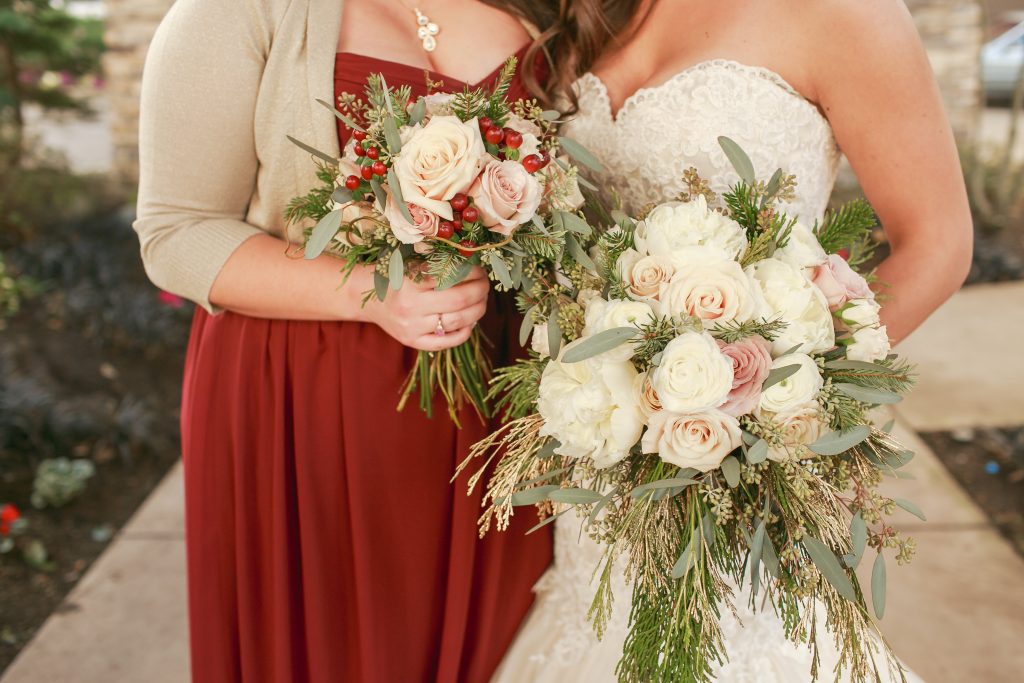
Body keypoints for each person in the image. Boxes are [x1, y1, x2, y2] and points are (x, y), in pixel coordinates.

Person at [493, 0, 972, 680]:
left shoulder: (846, 14)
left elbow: (939, 243)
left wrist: (786, 397)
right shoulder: (585, 12)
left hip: (741, 474)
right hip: (597, 466)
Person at [134, 1, 561, 680]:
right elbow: (176, 233)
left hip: (504, 411)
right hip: (309, 401)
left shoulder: (552, 10)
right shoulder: (238, 12)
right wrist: (373, 293)